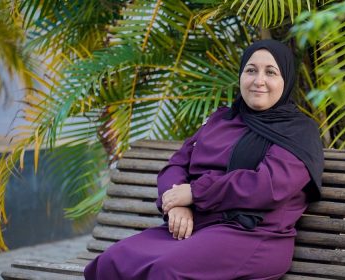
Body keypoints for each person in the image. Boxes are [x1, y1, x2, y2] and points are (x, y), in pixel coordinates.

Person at [84, 39, 324, 280]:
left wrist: (195, 193)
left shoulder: (299, 132)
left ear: (286, 80)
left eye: (271, 72)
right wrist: (178, 205)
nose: (258, 80)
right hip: (197, 227)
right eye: (251, 70)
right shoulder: (222, 119)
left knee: (164, 271)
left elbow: (269, 186)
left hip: (253, 235)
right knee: (110, 262)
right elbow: (177, 164)